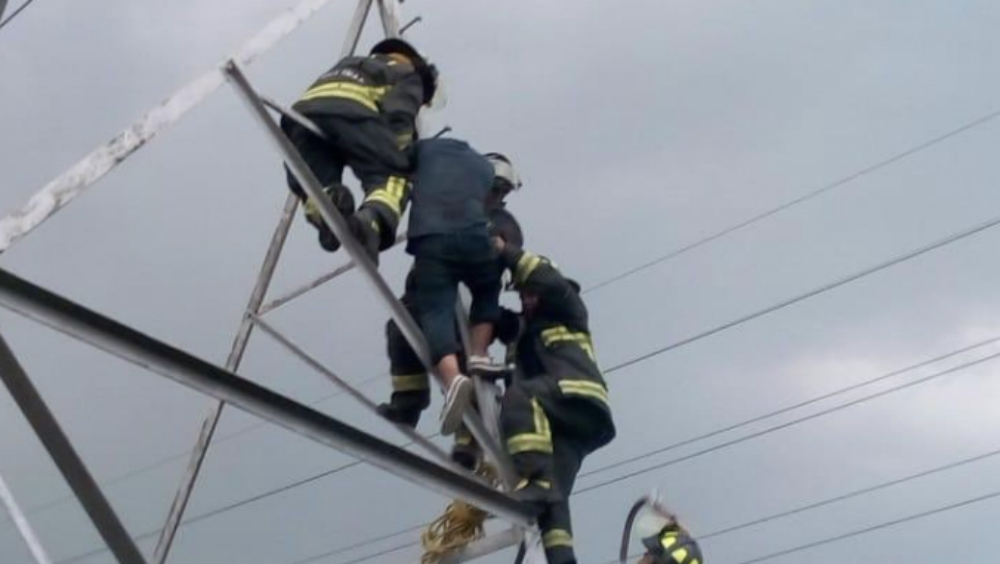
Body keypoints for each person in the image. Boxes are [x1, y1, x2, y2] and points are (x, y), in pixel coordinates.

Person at [495, 243, 616, 564]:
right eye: (523, 294)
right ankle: (561, 558)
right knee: (553, 497)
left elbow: (545, 278)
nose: (526, 299)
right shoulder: (523, 330)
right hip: (562, 424)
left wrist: (504, 251)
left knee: (519, 397)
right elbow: (493, 319)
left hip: (578, 400)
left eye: (531, 293)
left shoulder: (567, 306)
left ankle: (535, 477)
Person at [280, 38, 437, 263]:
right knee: (395, 176)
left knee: (313, 182)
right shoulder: (408, 74)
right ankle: (371, 223)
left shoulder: (350, 63)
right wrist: (404, 155)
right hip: (351, 110)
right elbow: (399, 115)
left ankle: (328, 209)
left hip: (301, 116)